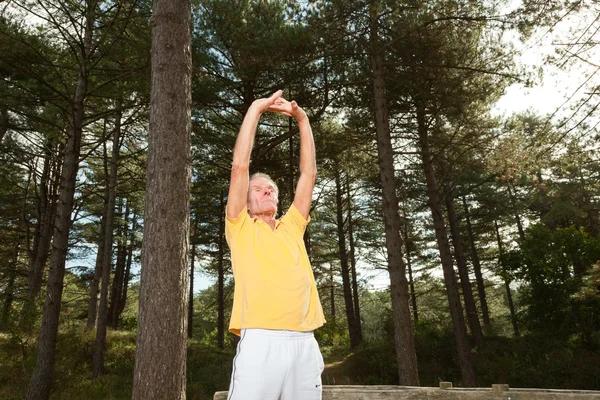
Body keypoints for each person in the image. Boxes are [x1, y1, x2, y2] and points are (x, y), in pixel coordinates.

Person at [225, 90, 326, 400]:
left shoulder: (292, 227)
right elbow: (240, 167)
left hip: (304, 343)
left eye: (271, 189)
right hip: (261, 342)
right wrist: (255, 110)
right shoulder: (240, 226)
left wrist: (303, 119)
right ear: (244, 199)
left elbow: (309, 173)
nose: (266, 192)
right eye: (258, 189)